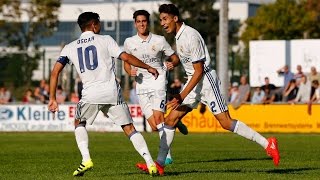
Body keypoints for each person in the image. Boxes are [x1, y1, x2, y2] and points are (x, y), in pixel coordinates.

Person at [136, 4, 280, 175]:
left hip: (206, 82)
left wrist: (181, 95)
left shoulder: (190, 36)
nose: (163, 23)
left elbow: (199, 71)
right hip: (194, 82)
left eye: (165, 19)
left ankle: (267, 143)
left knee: (226, 122)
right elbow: (191, 71)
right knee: (170, 121)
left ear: (175, 18)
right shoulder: (178, 36)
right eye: (161, 20)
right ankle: (159, 164)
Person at [48, 12, 160, 177]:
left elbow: (55, 72)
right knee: (129, 128)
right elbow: (126, 57)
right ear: (93, 25)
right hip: (111, 92)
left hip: (90, 94)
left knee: (79, 122)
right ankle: (150, 163)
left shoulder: (69, 47)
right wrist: (148, 67)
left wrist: (52, 98)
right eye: (98, 23)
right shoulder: (106, 39)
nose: (99, 26)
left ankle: (86, 159)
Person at [123, 10, 187, 166]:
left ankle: (167, 155)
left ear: (148, 22)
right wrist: (128, 70)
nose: (142, 24)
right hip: (141, 84)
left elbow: (175, 58)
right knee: (153, 126)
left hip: (158, 80)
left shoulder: (159, 40)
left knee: (158, 119)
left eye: (144, 21)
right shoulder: (129, 42)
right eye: (138, 21)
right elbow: (126, 61)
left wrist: (173, 63)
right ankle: (174, 122)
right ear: (135, 23)